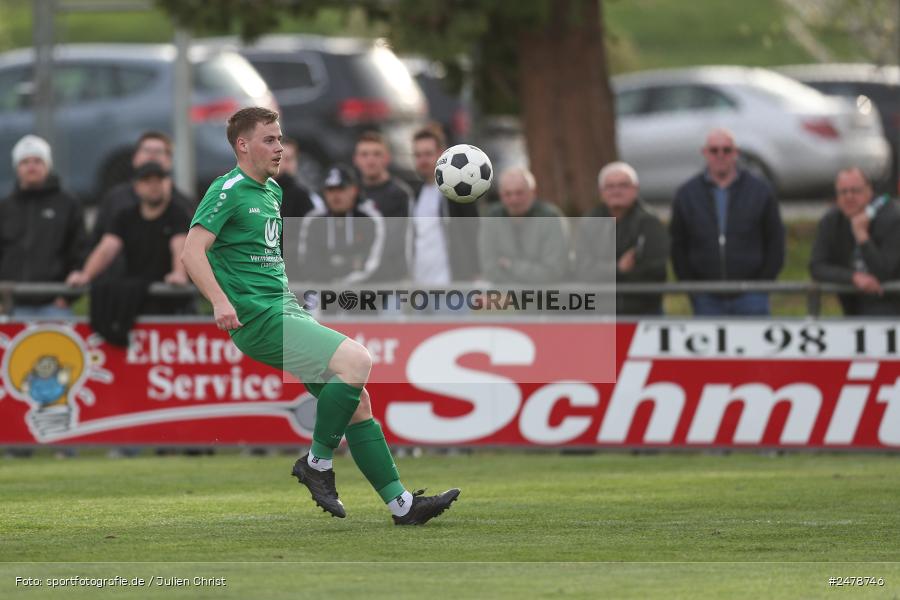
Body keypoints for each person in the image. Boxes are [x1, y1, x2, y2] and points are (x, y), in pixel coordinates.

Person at [180, 107, 459, 524]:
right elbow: (191, 251)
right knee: (358, 361)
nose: (280, 147)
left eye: (280, 139)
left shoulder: (271, 192)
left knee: (357, 402)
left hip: (283, 309)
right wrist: (220, 300)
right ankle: (317, 463)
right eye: (269, 139)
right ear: (242, 145)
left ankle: (402, 506)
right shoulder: (229, 189)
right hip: (257, 317)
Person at [669, 128, 784, 316]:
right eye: (714, 150)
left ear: (736, 153)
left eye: (726, 150)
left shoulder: (760, 191)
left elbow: (775, 240)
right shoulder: (687, 194)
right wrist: (692, 286)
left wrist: (763, 284)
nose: (720, 155)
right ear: (705, 153)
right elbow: (678, 245)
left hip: (752, 296)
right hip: (706, 298)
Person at [66, 161, 191, 313]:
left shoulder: (179, 214)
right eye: (147, 181)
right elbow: (107, 248)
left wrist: (179, 274)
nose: (154, 185)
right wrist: (86, 275)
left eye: (159, 180)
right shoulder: (125, 216)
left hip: (171, 301)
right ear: (136, 187)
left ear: (168, 183)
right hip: (138, 298)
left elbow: (179, 245)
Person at [0, 134, 86, 318]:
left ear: (47, 165)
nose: (31, 166)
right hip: (11, 307)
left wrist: (67, 297)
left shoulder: (68, 204)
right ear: (17, 167)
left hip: (54, 307)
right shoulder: (5, 207)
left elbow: (80, 252)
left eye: (37, 161)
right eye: (25, 162)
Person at [576, 161, 668, 315]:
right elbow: (582, 270)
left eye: (623, 185)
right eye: (610, 186)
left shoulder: (650, 223)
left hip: (643, 313)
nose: (616, 191)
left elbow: (655, 272)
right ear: (601, 192)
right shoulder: (589, 223)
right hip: (601, 312)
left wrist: (603, 272)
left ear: (635, 189)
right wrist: (618, 268)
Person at [810, 167, 900, 315]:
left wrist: (862, 236)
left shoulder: (893, 219)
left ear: (869, 190)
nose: (849, 197)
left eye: (855, 191)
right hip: (853, 309)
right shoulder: (831, 220)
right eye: (843, 192)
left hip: (892, 307)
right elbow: (817, 266)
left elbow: (884, 274)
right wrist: (853, 277)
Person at [91, 131, 193, 250]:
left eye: (158, 152)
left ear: (169, 161)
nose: (152, 156)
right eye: (146, 150)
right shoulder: (115, 200)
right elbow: (97, 242)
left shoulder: (183, 204)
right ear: (134, 158)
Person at [410, 125, 480, 284]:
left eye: (428, 154)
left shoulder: (460, 191)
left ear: (441, 153)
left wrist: (475, 272)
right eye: (418, 155)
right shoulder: (415, 194)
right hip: (420, 287)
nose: (423, 160)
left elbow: (473, 232)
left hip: (453, 286)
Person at [479, 167, 569, 284]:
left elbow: (552, 272)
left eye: (519, 193)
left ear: (533, 192)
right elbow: (489, 269)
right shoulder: (491, 217)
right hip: (505, 297)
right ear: (501, 195)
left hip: (546, 297)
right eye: (508, 194)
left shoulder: (551, 217)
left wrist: (510, 265)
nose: (514, 199)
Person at [297, 164, 385, 283]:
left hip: (362, 293)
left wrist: (337, 277)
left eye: (341, 189)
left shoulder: (369, 219)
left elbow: (371, 264)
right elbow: (309, 264)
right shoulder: (314, 220)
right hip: (322, 292)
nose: (336, 195)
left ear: (354, 190)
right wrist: (348, 265)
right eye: (331, 190)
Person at [353, 131, 413, 281]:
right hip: (359, 280)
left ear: (387, 158)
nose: (370, 160)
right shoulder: (352, 194)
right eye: (364, 154)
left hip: (392, 280)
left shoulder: (400, 194)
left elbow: (397, 241)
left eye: (376, 154)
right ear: (356, 159)